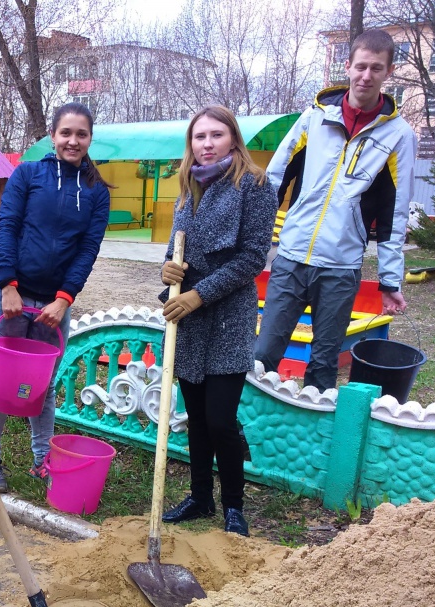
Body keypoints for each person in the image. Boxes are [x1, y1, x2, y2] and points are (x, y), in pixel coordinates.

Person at [254, 28, 417, 392]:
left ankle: (317, 441)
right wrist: (255, 241)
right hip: (292, 258)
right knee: (263, 353)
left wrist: (390, 280)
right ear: (347, 66)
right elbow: (274, 179)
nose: (366, 76)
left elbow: (395, 214)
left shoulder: (398, 136)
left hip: (341, 269)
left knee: (325, 362)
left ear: (388, 72)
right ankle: (244, 429)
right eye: (360, 66)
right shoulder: (314, 118)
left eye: (376, 68)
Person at [0, 102, 112, 493]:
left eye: (81, 134)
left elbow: (88, 249)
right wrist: (8, 285)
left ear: (89, 139)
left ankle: (43, 461)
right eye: (66, 133)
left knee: (43, 386)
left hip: (53, 305)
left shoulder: (96, 192)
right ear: (52, 136)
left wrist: (64, 299)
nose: (73, 141)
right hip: (9, 297)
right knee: (0, 383)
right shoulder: (27, 174)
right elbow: (6, 227)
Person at [159, 105, 276, 537]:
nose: (206, 144)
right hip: (188, 319)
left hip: (227, 315)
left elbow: (250, 258)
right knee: (196, 417)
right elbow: (175, 249)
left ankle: (233, 506)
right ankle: (200, 498)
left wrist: (199, 294)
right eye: (199, 137)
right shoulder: (188, 188)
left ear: (233, 139)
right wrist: (168, 271)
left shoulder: (256, 186)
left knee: (221, 419)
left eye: (216, 135)